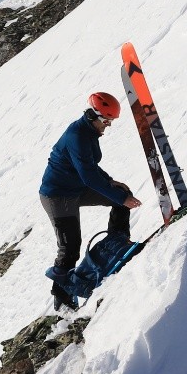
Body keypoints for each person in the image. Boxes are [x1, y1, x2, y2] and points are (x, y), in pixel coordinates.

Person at [40, 92, 140, 309]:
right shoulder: (77, 135)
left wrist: (112, 183)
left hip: (76, 189)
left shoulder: (88, 132)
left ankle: (117, 244)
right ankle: (62, 297)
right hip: (58, 195)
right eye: (106, 120)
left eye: (110, 121)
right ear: (92, 115)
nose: (108, 125)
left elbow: (90, 166)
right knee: (70, 247)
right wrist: (121, 197)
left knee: (119, 199)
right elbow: (88, 175)